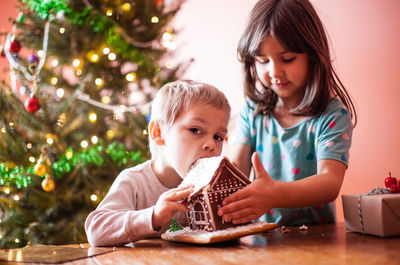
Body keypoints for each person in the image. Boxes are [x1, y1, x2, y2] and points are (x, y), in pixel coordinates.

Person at [218, 0, 357, 226]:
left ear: (313, 56)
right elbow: (237, 171)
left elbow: (330, 182)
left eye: (287, 59)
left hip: (316, 242)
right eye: (263, 61)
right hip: (259, 239)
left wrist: (274, 194)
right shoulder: (252, 111)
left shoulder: (332, 116)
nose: (274, 71)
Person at [85, 80, 231, 246]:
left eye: (218, 137)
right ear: (159, 132)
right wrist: (153, 217)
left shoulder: (215, 186)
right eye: (196, 130)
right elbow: (96, 229)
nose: (211, 145)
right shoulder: (134, 182)